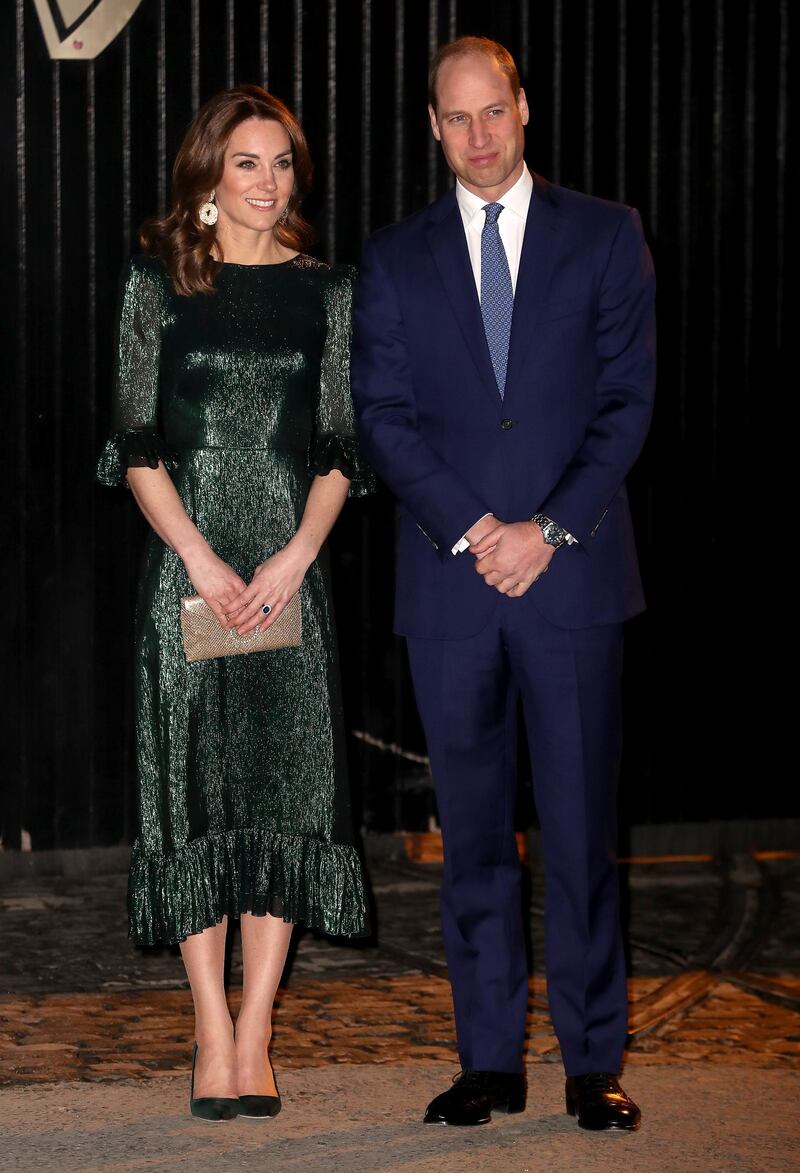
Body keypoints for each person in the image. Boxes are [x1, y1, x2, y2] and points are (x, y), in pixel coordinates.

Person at [351, 37, 655, 1132]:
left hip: (571, 585)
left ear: (522, 109)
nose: (478, 135)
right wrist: (481, 529)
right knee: (472, 837)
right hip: (450, 589)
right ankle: (487, 1061)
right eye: (456, 117)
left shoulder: (604, 235)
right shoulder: (390, 259)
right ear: (432, 127)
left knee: (578, 834)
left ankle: (590, 1062)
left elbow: (625, 403)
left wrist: (549, 531)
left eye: (494, 111)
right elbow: (381, 417)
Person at [97, 85, 372, 1122]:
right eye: (246, 163)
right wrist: (204, 562)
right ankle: (208, 1028)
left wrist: (295, 555)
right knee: (198, 796)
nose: (267, 183)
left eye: (282, 164)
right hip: (190, 573)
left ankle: (257, 1031)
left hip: (289, 578)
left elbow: (342, 444)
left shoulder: (328, 291)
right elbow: (134, 443)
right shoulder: (153, 285)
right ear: (207, 177)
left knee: (282, 795)